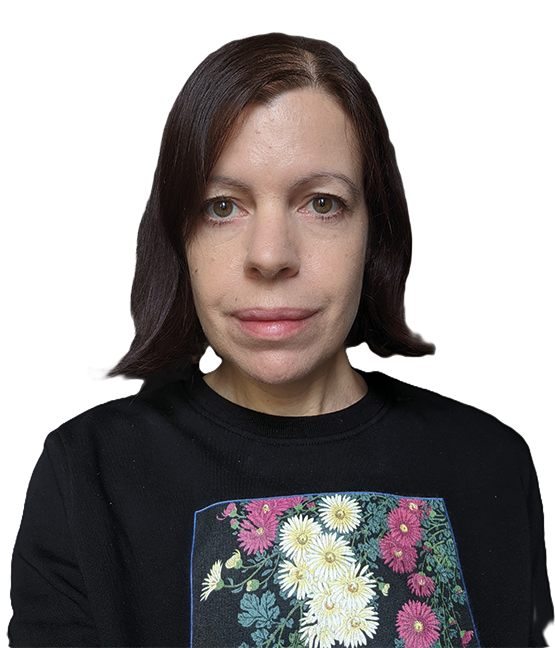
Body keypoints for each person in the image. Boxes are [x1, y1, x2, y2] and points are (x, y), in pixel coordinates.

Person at [8, 32, 552, 648]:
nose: (269, 256)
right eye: (222, 206)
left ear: (374, 232)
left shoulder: (490, 462)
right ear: (180, 237)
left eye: (321, 203)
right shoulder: (86, 473)